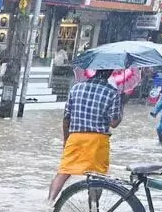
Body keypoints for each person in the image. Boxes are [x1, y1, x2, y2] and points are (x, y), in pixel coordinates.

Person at [47, 69, 123, 202]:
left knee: (63, 172)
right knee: (97, 177)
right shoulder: (112, 92)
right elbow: (114, 122)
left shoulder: (76, 88)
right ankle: (93, 210)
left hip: (75, 137)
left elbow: (66, 118)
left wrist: (66, 140)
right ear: (110, 73)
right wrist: (121, 107)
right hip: (97, 139)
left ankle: (49, 201)